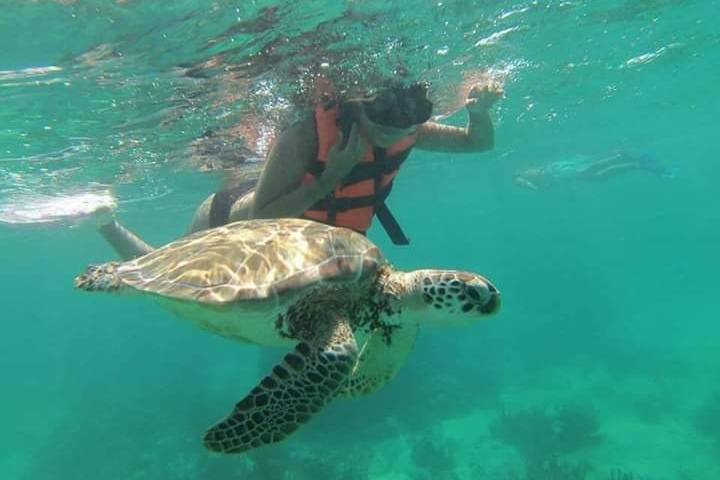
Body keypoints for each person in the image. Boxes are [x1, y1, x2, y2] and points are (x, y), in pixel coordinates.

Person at [98, 79, 503, 260]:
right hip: (231, 218)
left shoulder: (405, 131)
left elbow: (477, 143)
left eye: (404, 125)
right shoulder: (304, 137)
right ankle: (106, 223)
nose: (389, 133)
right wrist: (331, 177)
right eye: (380, 121)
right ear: (359, 104)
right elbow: (264, 215)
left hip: (303, 238)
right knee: (153, 266)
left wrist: (479, 113)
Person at [512, 151, 673, 191]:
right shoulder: (527, 169)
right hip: (555, 170)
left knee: (595, 172)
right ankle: (620, 157)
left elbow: (534, 187)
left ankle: (634, 164)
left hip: (555, 173)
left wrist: (540, 189)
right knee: (593, 170)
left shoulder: (518, 178)